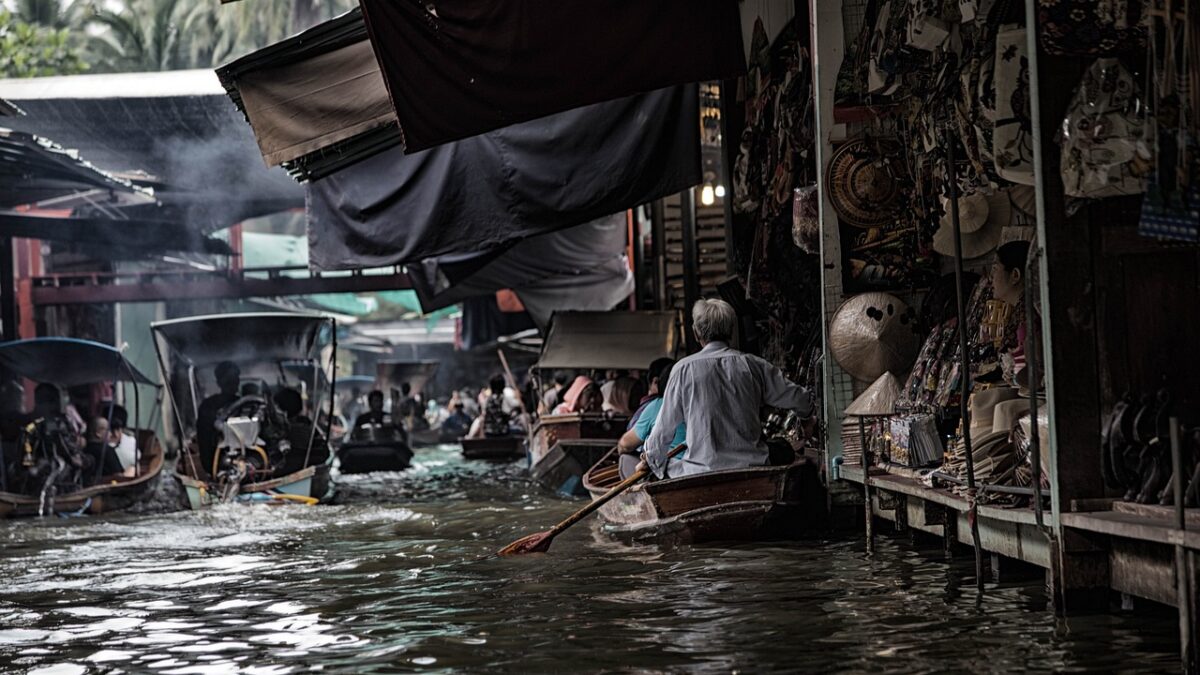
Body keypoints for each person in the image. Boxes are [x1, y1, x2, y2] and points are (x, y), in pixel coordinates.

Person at [640, 298, 814, 479]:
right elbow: (800, 399)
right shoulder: (752, 365)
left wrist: (650, 457)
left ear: (695, 332)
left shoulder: (683, 370)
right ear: (731, 330)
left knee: (663, 467)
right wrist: (806, 418)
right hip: (752, 466)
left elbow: (663, 430)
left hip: (700, 472)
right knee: (783, 449)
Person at [616, 362, 687, 479]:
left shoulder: (657, 405)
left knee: (625, 458)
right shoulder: (700, 405)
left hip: (668, 471)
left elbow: (625, 445)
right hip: (697, 466)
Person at [988, 240, 1037, 387]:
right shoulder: (1019, 312)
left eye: (995, 269)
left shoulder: (1028, 316)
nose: (991, 278)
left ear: (1015, 275)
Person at [196, 361, 241, 474]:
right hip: (218, 464)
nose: (232, 383)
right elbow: (204, 441)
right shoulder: (208, 406)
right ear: (219, 382)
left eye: (234, 378)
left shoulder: (247, 404)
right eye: (228, 380)